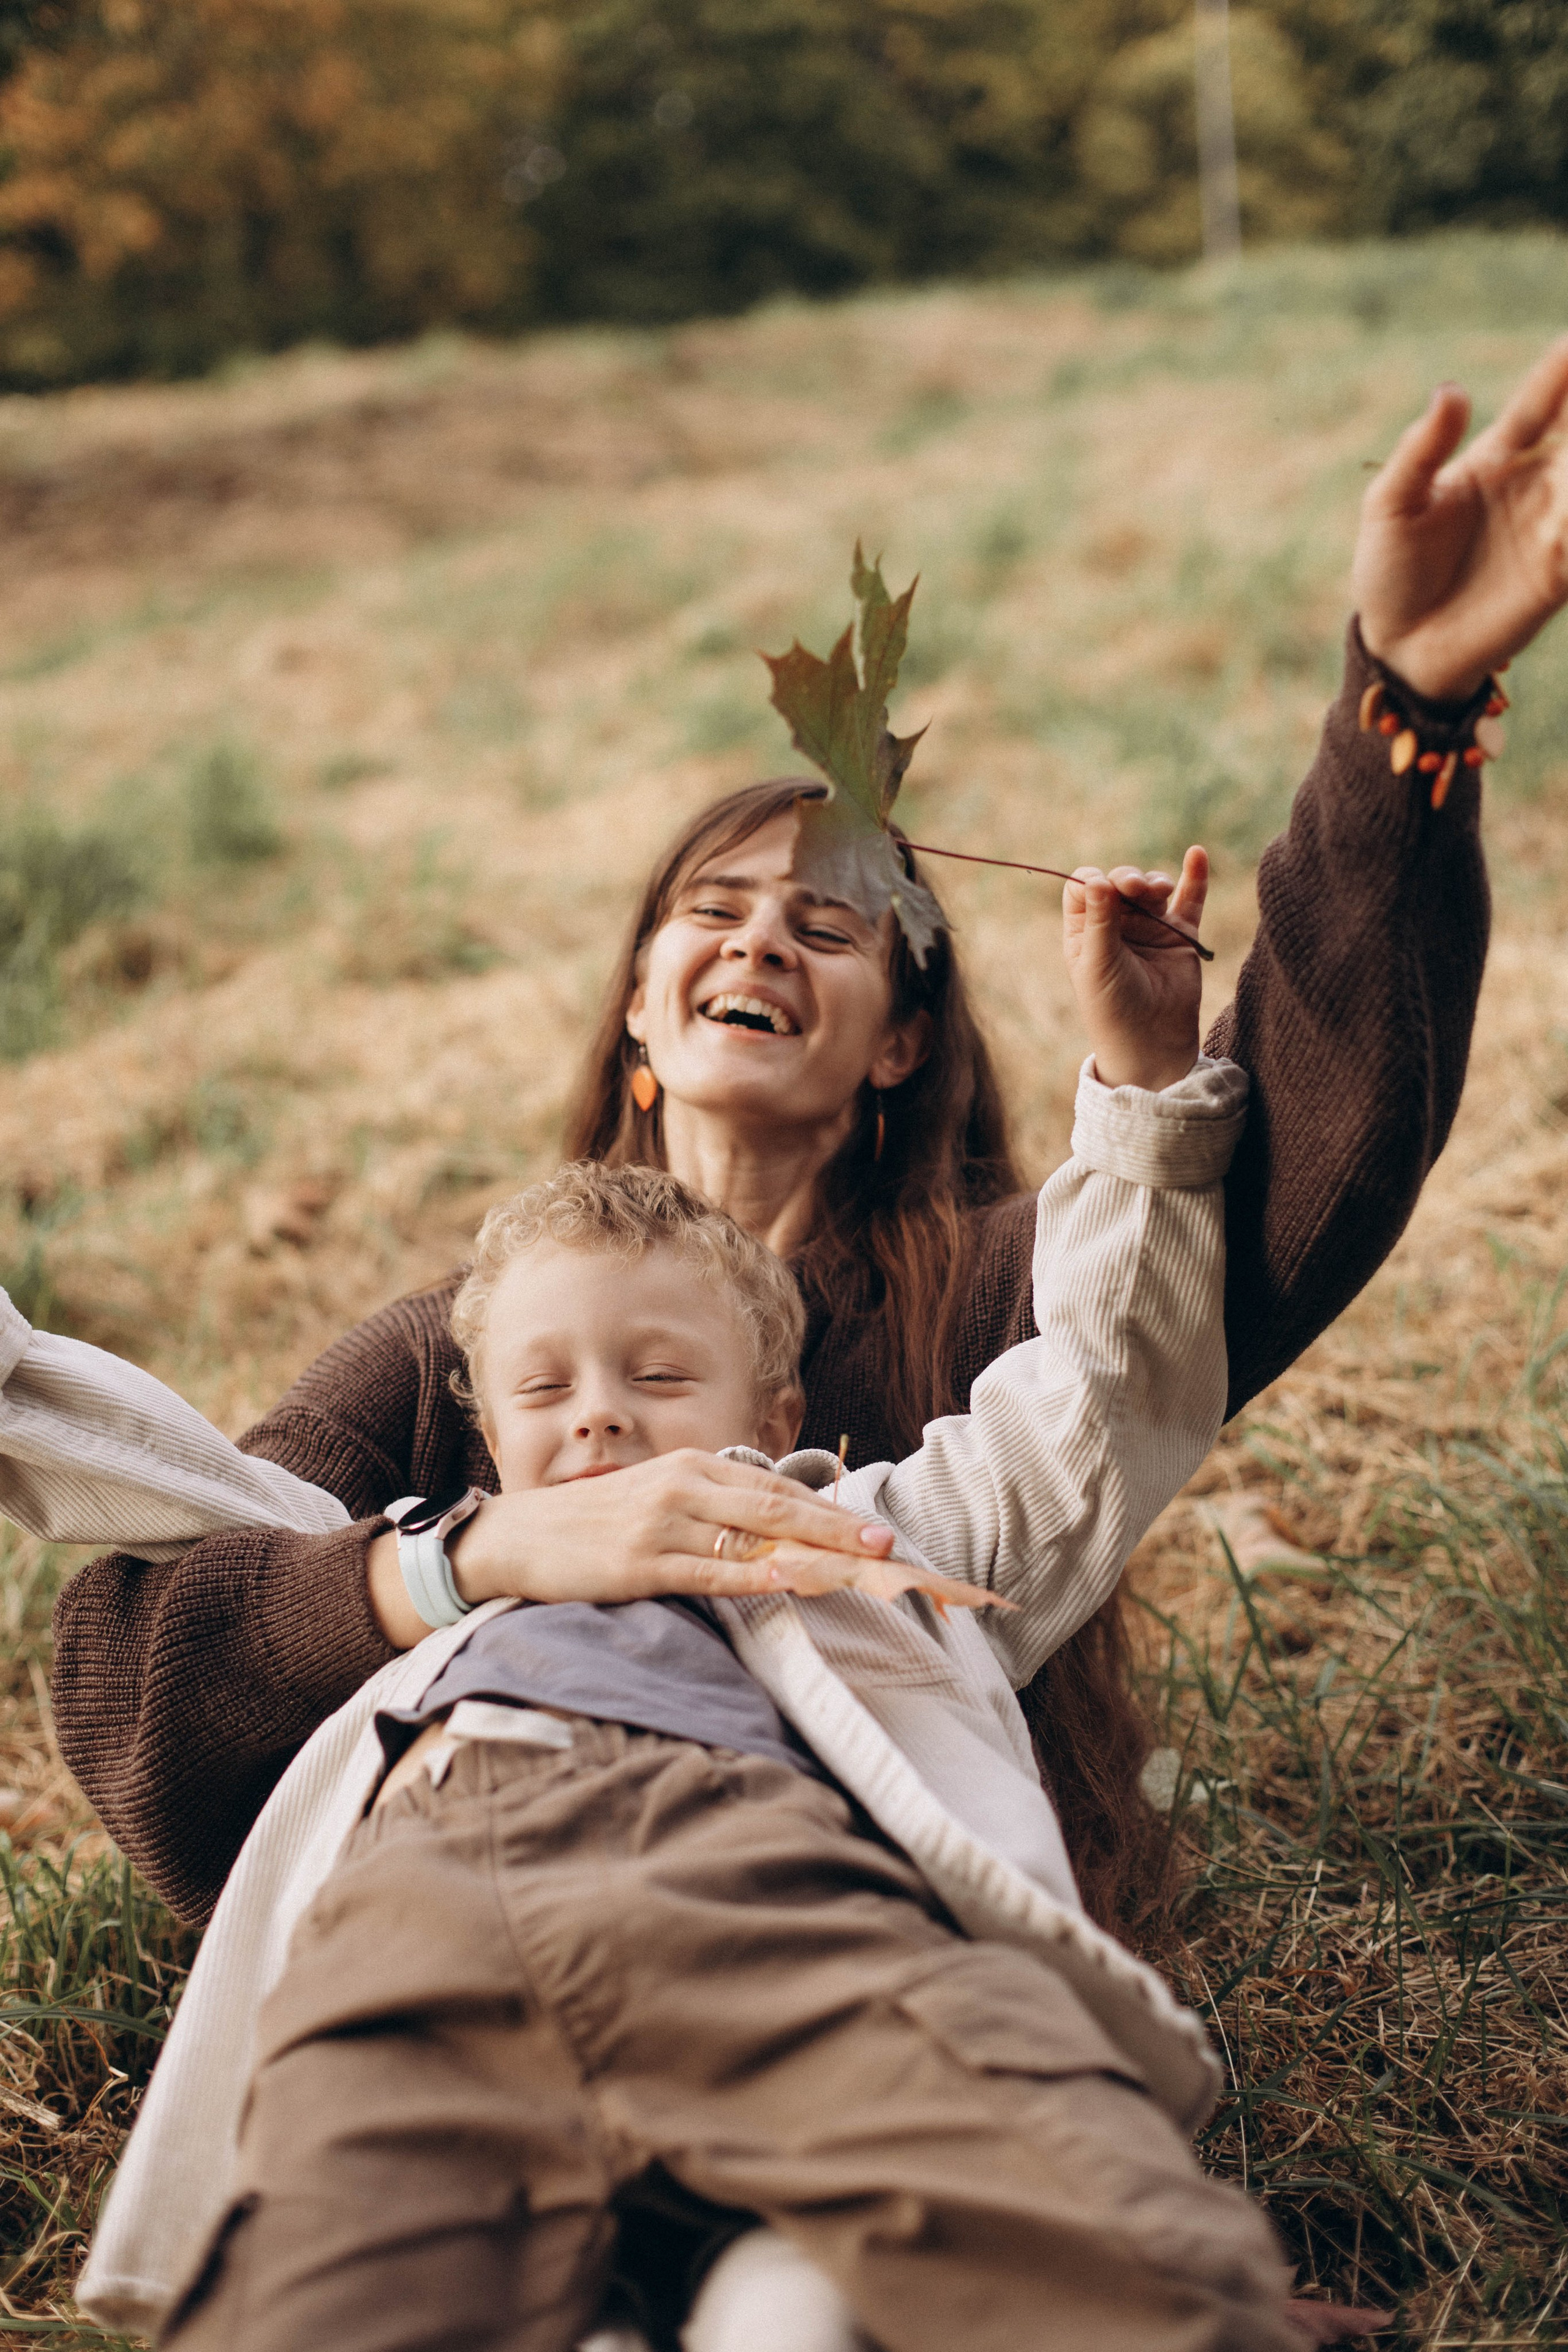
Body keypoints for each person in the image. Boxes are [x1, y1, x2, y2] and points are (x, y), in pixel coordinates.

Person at [48, 336, 1568, 1962]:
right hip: (498, 1925)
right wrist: (483, 1553)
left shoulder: (1004, 1282)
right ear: (639, 1007)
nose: (762, 939)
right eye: (711, 912)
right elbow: (140, 1676)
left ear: (903, 1038)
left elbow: (1296, 1175)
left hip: (886, 1931)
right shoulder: (458, 1359)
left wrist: (1403, 714)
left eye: (829, 924)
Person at [30, 1028, 1272, 2342]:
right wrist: (451, 1562)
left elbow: (1101, 1391)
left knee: (1145, 2280)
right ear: (490, 1438)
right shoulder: (426, 1557)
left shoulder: (875, 1539)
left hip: (765, 1889)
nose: (600, 1416)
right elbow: (137, 1475)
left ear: (776, 1414)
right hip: (414, 1914)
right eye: (543, 1386)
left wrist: (1141, 1082)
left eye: (661, 1375)